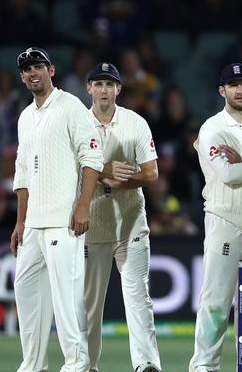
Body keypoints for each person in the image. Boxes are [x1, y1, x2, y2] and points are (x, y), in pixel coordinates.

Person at [10, 47, 104, 371]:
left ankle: (76, 363)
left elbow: (92, 159)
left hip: (64, 220)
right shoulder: (25, 117)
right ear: (22, 77)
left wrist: (83, 207)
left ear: (51, 69)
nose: (32, 72)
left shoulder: (70, 106)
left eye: (37, 66)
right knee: (25, 292)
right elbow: (22, 172)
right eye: (26, 69)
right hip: (33, 223)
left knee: (67, 297)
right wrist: (20, 222)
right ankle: (33, 364)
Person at [189, 63, 242, 372]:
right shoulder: (213, 128)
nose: (239, 89)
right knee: (217, 299)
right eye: (232, 84)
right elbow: (226, 173)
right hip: (225, 219)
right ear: (222, 91)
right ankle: (204, 365)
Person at [83, 62, 162, 372]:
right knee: (89, 305)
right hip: (92, 225)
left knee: (139, 298)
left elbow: (151, 173)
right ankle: (86, 365)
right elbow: (69, 171)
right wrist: (103, 173)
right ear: (88, 88)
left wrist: (119, 181)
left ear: (119, 89)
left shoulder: (135, 123)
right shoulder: (78, 123)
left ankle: (146, 364)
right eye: (98, 84)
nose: (104, 90)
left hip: (131, 224)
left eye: (109, 84)